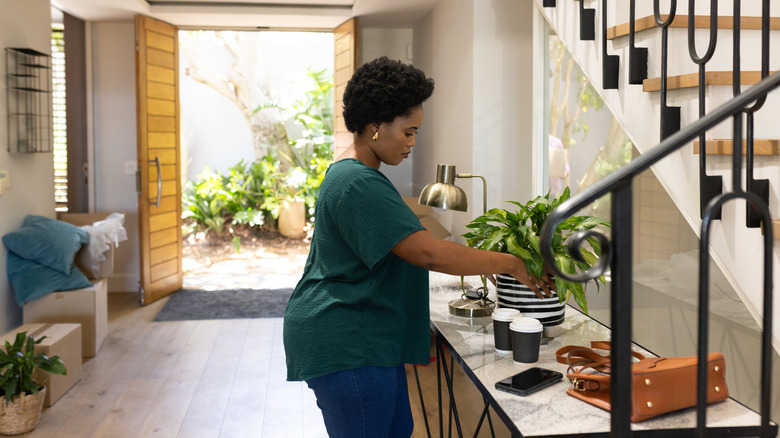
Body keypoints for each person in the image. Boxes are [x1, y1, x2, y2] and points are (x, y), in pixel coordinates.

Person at [283, 56, 553, 438]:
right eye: (408, 132)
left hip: (364, 337)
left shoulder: (356, 175)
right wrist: (509, 261)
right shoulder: (358, 183)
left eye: (416, 134)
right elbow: (426, 252)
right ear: (376, 127)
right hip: (347, 341)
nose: (412, 143)